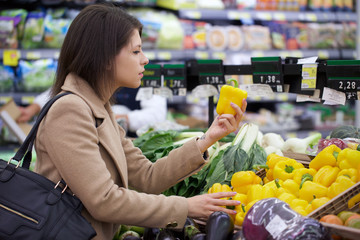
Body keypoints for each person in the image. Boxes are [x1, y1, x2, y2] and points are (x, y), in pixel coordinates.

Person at [34, 3, 247, 240]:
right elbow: (103, 200)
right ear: (104, 57)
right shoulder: (70, 110)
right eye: (136, 52)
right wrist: (186, 207)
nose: (144, 60)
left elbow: (148, 176)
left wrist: (209, 138)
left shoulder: (99, 109)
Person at [17, 87, 167, 137]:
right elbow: (68, 89)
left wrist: (123, 118)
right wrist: (34, 107)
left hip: (133, 139)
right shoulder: (97, 71)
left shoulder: (149, 77)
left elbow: (157, 116)